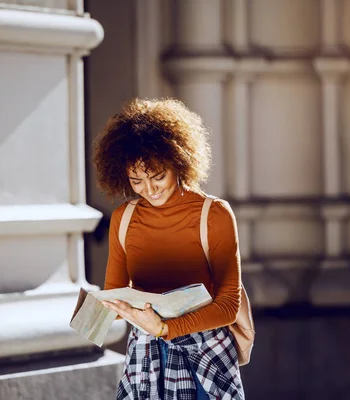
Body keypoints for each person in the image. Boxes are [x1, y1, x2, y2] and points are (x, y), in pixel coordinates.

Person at [93, 98, 244, 400]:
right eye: (137, 181)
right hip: (146, 358)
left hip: (206, 358)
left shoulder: (214, 214)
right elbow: (116, 294)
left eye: (158, 176)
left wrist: (164, 328)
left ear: (178, 161)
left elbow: (229, 305)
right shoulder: (124, 219)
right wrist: (95, 313)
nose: (149, 190)